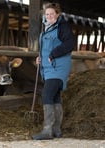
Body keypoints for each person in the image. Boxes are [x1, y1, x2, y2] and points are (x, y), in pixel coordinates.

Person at [32, 2, 75, 140]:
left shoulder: (62, 27)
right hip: (48, 68)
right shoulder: (46, 29)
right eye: (47, 14)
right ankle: (56, 130)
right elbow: (46, 49)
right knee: (55, 97)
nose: (49, 16)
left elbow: (69, 44)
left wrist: (53, 54)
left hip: (58, 67)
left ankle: (47, 130)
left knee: (46, 95)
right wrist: (41, 58)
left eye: (52, 13)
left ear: (57, 14)